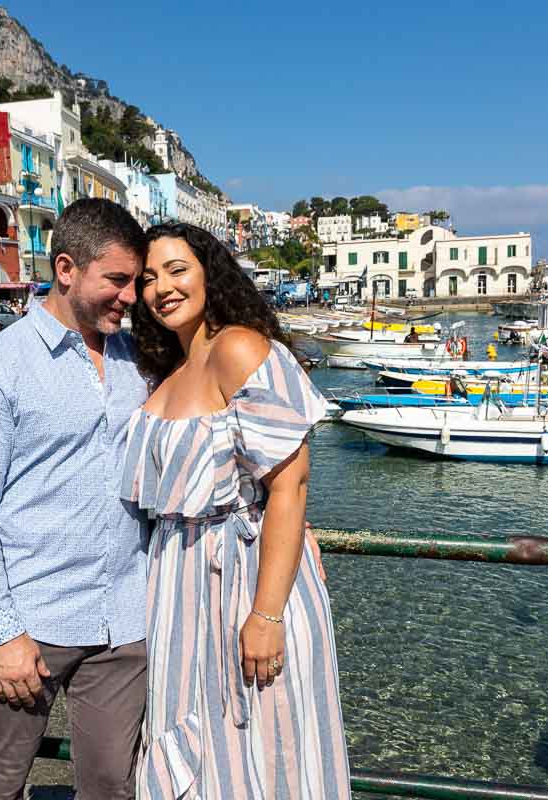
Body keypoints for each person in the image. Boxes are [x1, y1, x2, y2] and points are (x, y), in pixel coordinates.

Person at [122, 222, 350, 799]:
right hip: (177, 585)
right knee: (191, 743)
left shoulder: (238, 348)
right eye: (148, 278)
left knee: (264, 749)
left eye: (177, 270)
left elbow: (290, 486)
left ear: (210, 274)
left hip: (242, 583)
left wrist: (266, 615)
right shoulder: (166, 370)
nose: (161, 288)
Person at [0, 199, 151, 799]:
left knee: (114, 785)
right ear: (67, 269)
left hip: (125, 621)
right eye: (117, 280)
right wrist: (0, 632)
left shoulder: (138, 361)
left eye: (135, 281)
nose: (131, 296)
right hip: (30, 622)